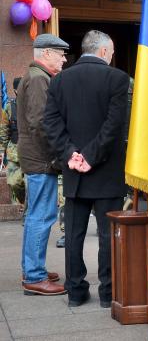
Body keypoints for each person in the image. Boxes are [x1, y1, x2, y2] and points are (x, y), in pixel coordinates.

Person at [44, 30, 129, 308]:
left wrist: (72, 155)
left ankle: (76, 292)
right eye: (112, 51)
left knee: (74, 235)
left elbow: (51, 124)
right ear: (104, 51)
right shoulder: (117, 79)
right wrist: (90, 156)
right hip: (106, 170)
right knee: (108, 235)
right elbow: (114, 126)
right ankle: (108, 292)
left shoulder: (59, 81)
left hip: (74, 171)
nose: (112, 55)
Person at [18, 34, 69, 296]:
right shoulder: (39, 79)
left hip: (36, 157)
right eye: (60, 54)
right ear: (46, 53)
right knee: (42, 216)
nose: (64, 58)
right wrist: (57, 155)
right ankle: (35, 276)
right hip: (41, 159)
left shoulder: (37, 76)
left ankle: (31, 269)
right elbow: (41, 123)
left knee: (35, 216)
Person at [0, 77, 25, 206]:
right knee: (14, 182)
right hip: (14, 151)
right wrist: (1, 151)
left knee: (30, 183)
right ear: (15, 91)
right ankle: (23, 201)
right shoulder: (9, 107)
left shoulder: (34, 103)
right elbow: (4, 130)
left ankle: (28, 210)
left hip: (31, 152)